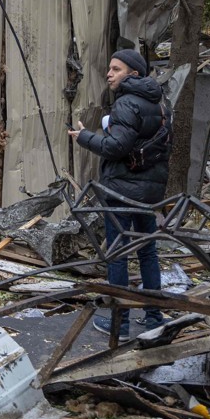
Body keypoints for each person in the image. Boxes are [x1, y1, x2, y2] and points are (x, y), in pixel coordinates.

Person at [68, 44, 170, 337]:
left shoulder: (127, 103)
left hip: (122, 190)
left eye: (116, 69)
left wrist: (84, 137)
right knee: (148, 252)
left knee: (118, 253)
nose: (108, 74)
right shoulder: (160, 103)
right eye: (109, 68)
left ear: (133, 73)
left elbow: (116, 147)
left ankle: (120, 323)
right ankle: (153, 319)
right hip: (148, 192)